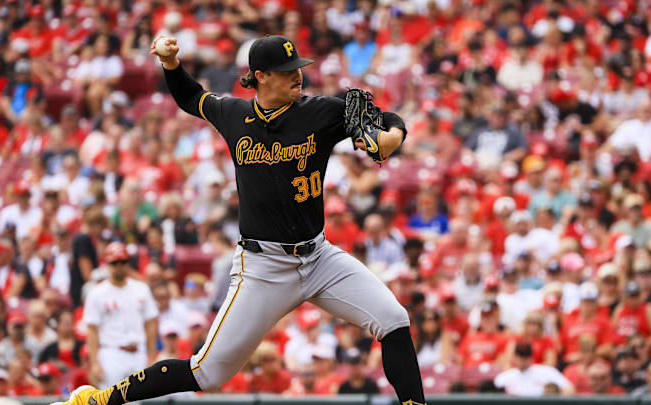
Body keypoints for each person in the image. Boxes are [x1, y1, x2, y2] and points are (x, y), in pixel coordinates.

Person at [54, 34, 425, 405]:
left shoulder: (321, 112)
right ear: (260, 76)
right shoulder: (234, 114)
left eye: (298, 68)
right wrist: (171, 65)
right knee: (207, 371)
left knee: (393, 319)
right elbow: (191, 98)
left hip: (320, 257)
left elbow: (383, 115)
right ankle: (98, 400)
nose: (298, 76)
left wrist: (393, 134)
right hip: (263, 266)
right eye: (286, 71)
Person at [82, 242, 159, 391]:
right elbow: (92, 329)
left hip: (138, 351)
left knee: (136, 400)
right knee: (110, 399)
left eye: (123, 261)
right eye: (114, 262)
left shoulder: (141, 288)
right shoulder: (97, 293)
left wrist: (151, 355)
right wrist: (95, 362)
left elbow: (151, 323)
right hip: (111, 353)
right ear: (107, 264)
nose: (119, 266)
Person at [493, 343, 574, 396]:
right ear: (515, 357)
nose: (523, 360)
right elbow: (491, 394)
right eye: (521, 356)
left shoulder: (546, 371)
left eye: (526, 356)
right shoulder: (505, 376)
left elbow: (569, 389)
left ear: (531, 357)